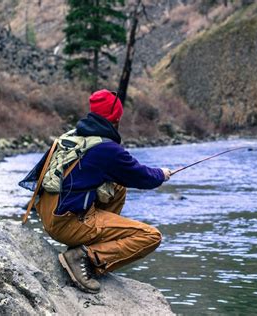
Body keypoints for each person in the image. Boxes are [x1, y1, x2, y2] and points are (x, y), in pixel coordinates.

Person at [19, 89, 171, 294]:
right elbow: (142, 177)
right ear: (115, 118)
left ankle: (88, 245)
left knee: (117, 186)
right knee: (150, 236)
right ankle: (84, 257)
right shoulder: (106, 149)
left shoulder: (74, 136)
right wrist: (161, 174)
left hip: (49, 214)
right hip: (67, 223)